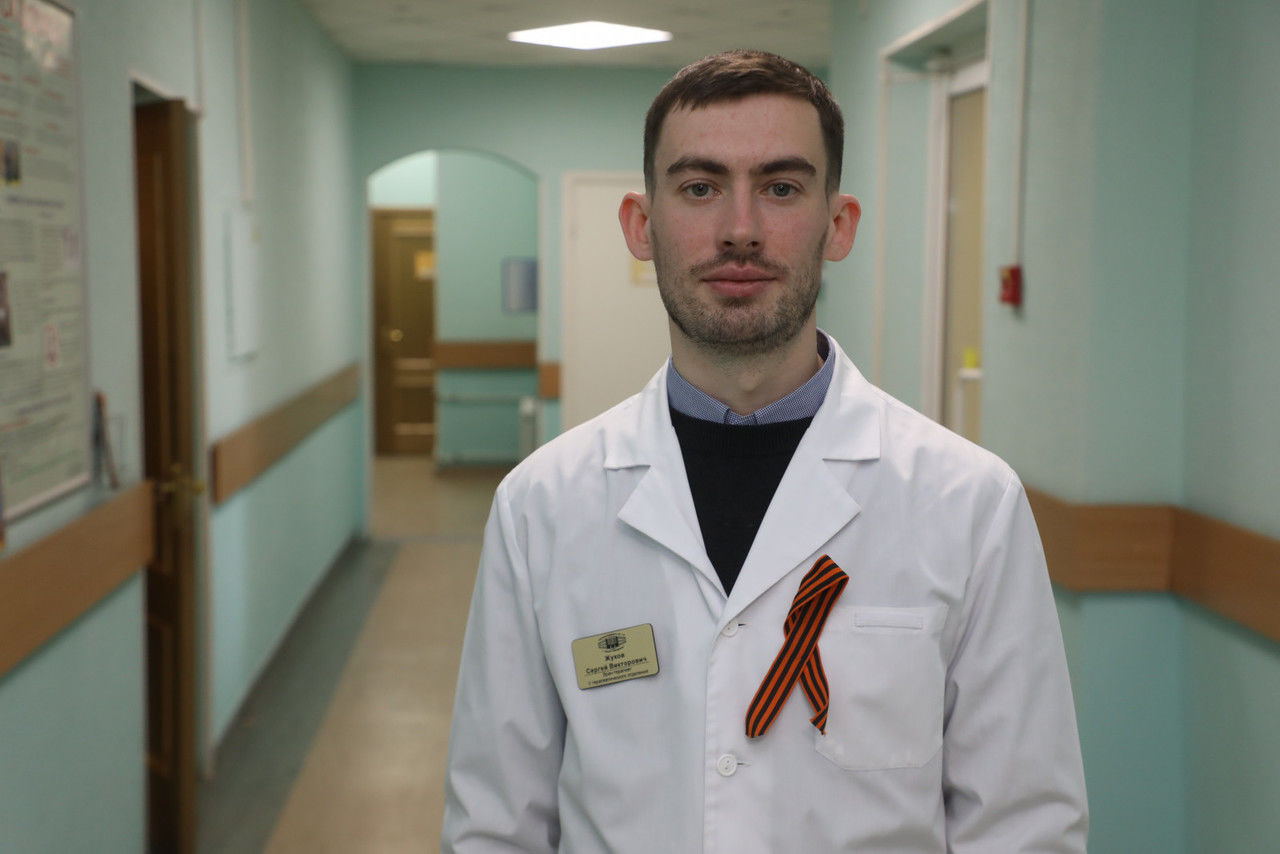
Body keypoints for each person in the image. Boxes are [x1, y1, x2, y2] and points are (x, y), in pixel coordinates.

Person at [442, 50, 1088, 853]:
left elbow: (1023, 827)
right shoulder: (542, 505)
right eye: (700, 187)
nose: (739, 229)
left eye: (781, 188)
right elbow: (496, 822)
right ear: (641, 226)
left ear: (838, 224)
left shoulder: (970, 504)